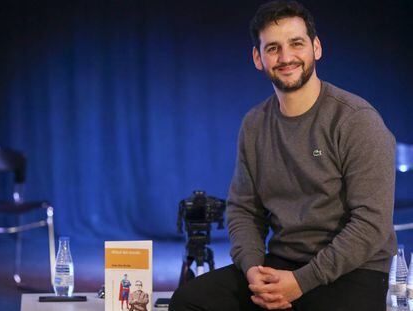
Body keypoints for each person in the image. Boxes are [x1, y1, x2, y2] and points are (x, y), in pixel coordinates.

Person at [169, 0, 396, 310]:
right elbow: (244, 211)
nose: (286, 57)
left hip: (353, 271)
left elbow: (371, 224)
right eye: (273, 48)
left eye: (296, 44)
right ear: (257, 58)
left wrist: (302, 282)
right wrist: (253, 271)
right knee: (189, 301)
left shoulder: (356, 120)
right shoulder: (254, 124)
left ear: (316, 48)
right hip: (280, 266)